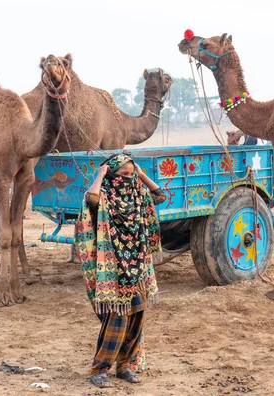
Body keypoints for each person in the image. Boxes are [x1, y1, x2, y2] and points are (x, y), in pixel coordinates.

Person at [74, 153, 166, 388]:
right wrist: (101, 174)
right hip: (113, 268)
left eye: (130, 174)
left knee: (136, 316)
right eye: (122, 174)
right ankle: (99, 369)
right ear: (111, 176)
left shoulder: (138, 193)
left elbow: (161, 196)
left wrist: (141, 174)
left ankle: (124, 366)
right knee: (117, 318)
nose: (128, 178)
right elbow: (91, 199)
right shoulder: (104, 196)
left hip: (138, 265)